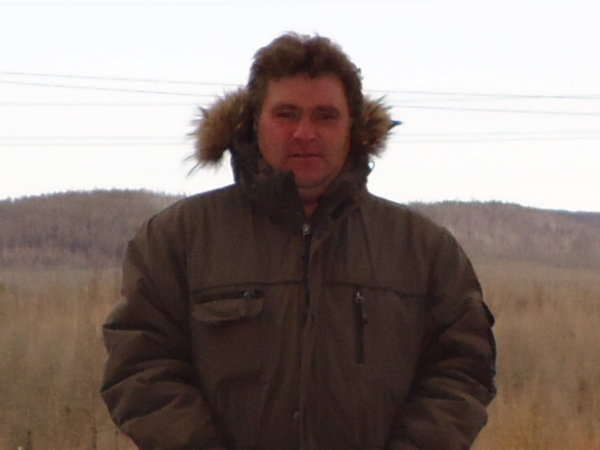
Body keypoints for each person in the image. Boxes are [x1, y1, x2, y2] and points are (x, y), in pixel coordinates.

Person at [101, 33, 496, 450]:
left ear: (353, 128)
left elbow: (463, 370)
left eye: (325, 116)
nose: (305, 132)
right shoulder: (179, 239)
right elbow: (140, 367)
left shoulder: (423, 249)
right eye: (286, 114)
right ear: (254, 122)